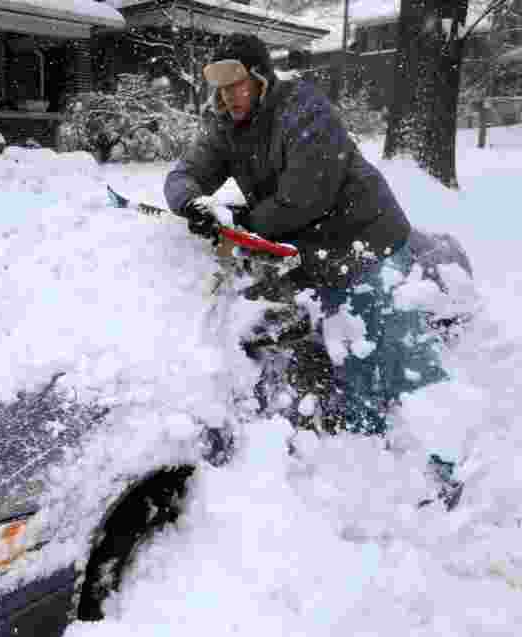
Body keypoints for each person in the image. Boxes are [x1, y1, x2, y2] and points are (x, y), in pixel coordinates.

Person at [164, 33, 450, 441]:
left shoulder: (304, 109)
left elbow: (304, 199)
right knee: (343, 348)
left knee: (394, 354)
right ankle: (361, 436)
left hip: (365, 239)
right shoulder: (226, 126)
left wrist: (240, 223)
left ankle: (441, 445)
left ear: (262, 78)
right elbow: (184, 173)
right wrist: (192, 204)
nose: (228, 97)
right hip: (310, 249)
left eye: (237, 84)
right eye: (221, 88)